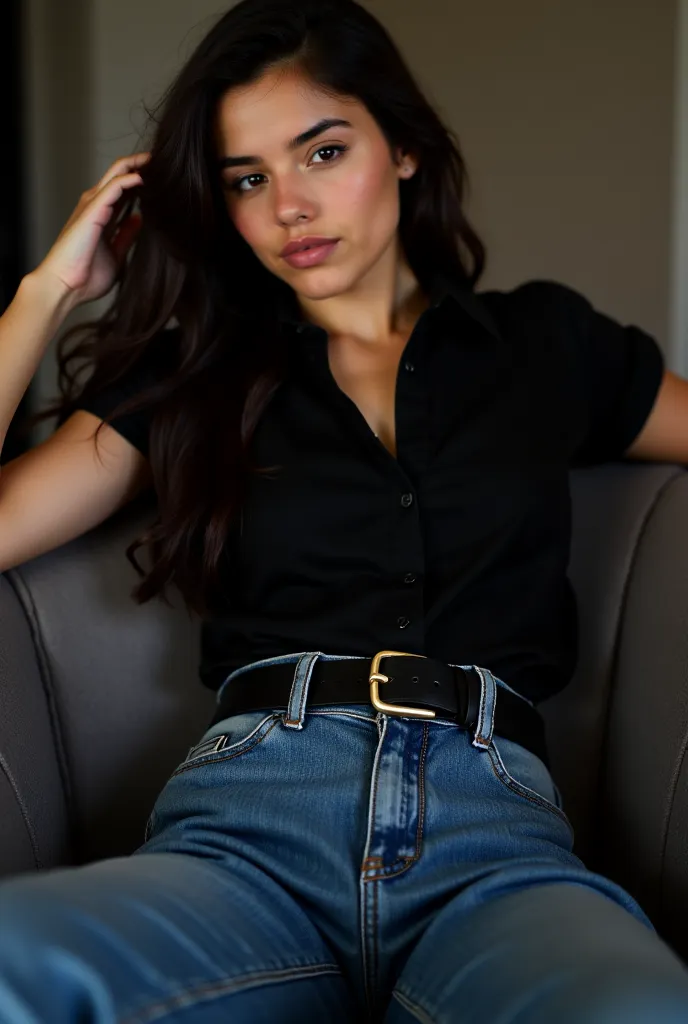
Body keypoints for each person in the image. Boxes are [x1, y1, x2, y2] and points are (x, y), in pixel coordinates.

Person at [2, 0, 688, 1020]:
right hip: (245, 836)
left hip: (494, 845)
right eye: (247, 177)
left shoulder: (544, 344)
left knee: (636, 1006)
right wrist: (46, 290)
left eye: (322, 151)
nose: (288, 205)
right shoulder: (195, 378)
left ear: (403, 147)